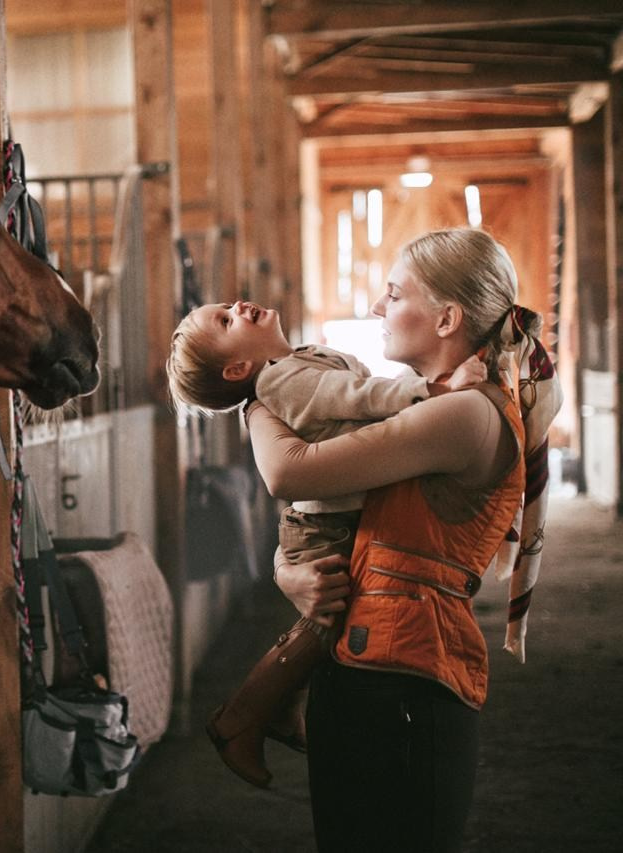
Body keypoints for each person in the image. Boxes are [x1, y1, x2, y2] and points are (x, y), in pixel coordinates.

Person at [246, 228, 561, 853]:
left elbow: (290, 472)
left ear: (448, 318)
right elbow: (340, 520)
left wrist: (253, 392)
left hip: (406, 686)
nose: (374, 309)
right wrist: (288, 569)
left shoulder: (464, 414)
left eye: (392, 295)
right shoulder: (433, 406)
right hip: (372, 673)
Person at [167, 299, 487, 789]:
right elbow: (355, 397)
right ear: (237, 368)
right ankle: (242, 715)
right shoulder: (278, 382)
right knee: (338, 613)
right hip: (326, 524)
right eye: (227, 321)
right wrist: (435, 389)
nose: (238, 306)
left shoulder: (305, 356)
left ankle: (271, 710)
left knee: (333, 615)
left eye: (226, 307)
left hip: (334, 514)